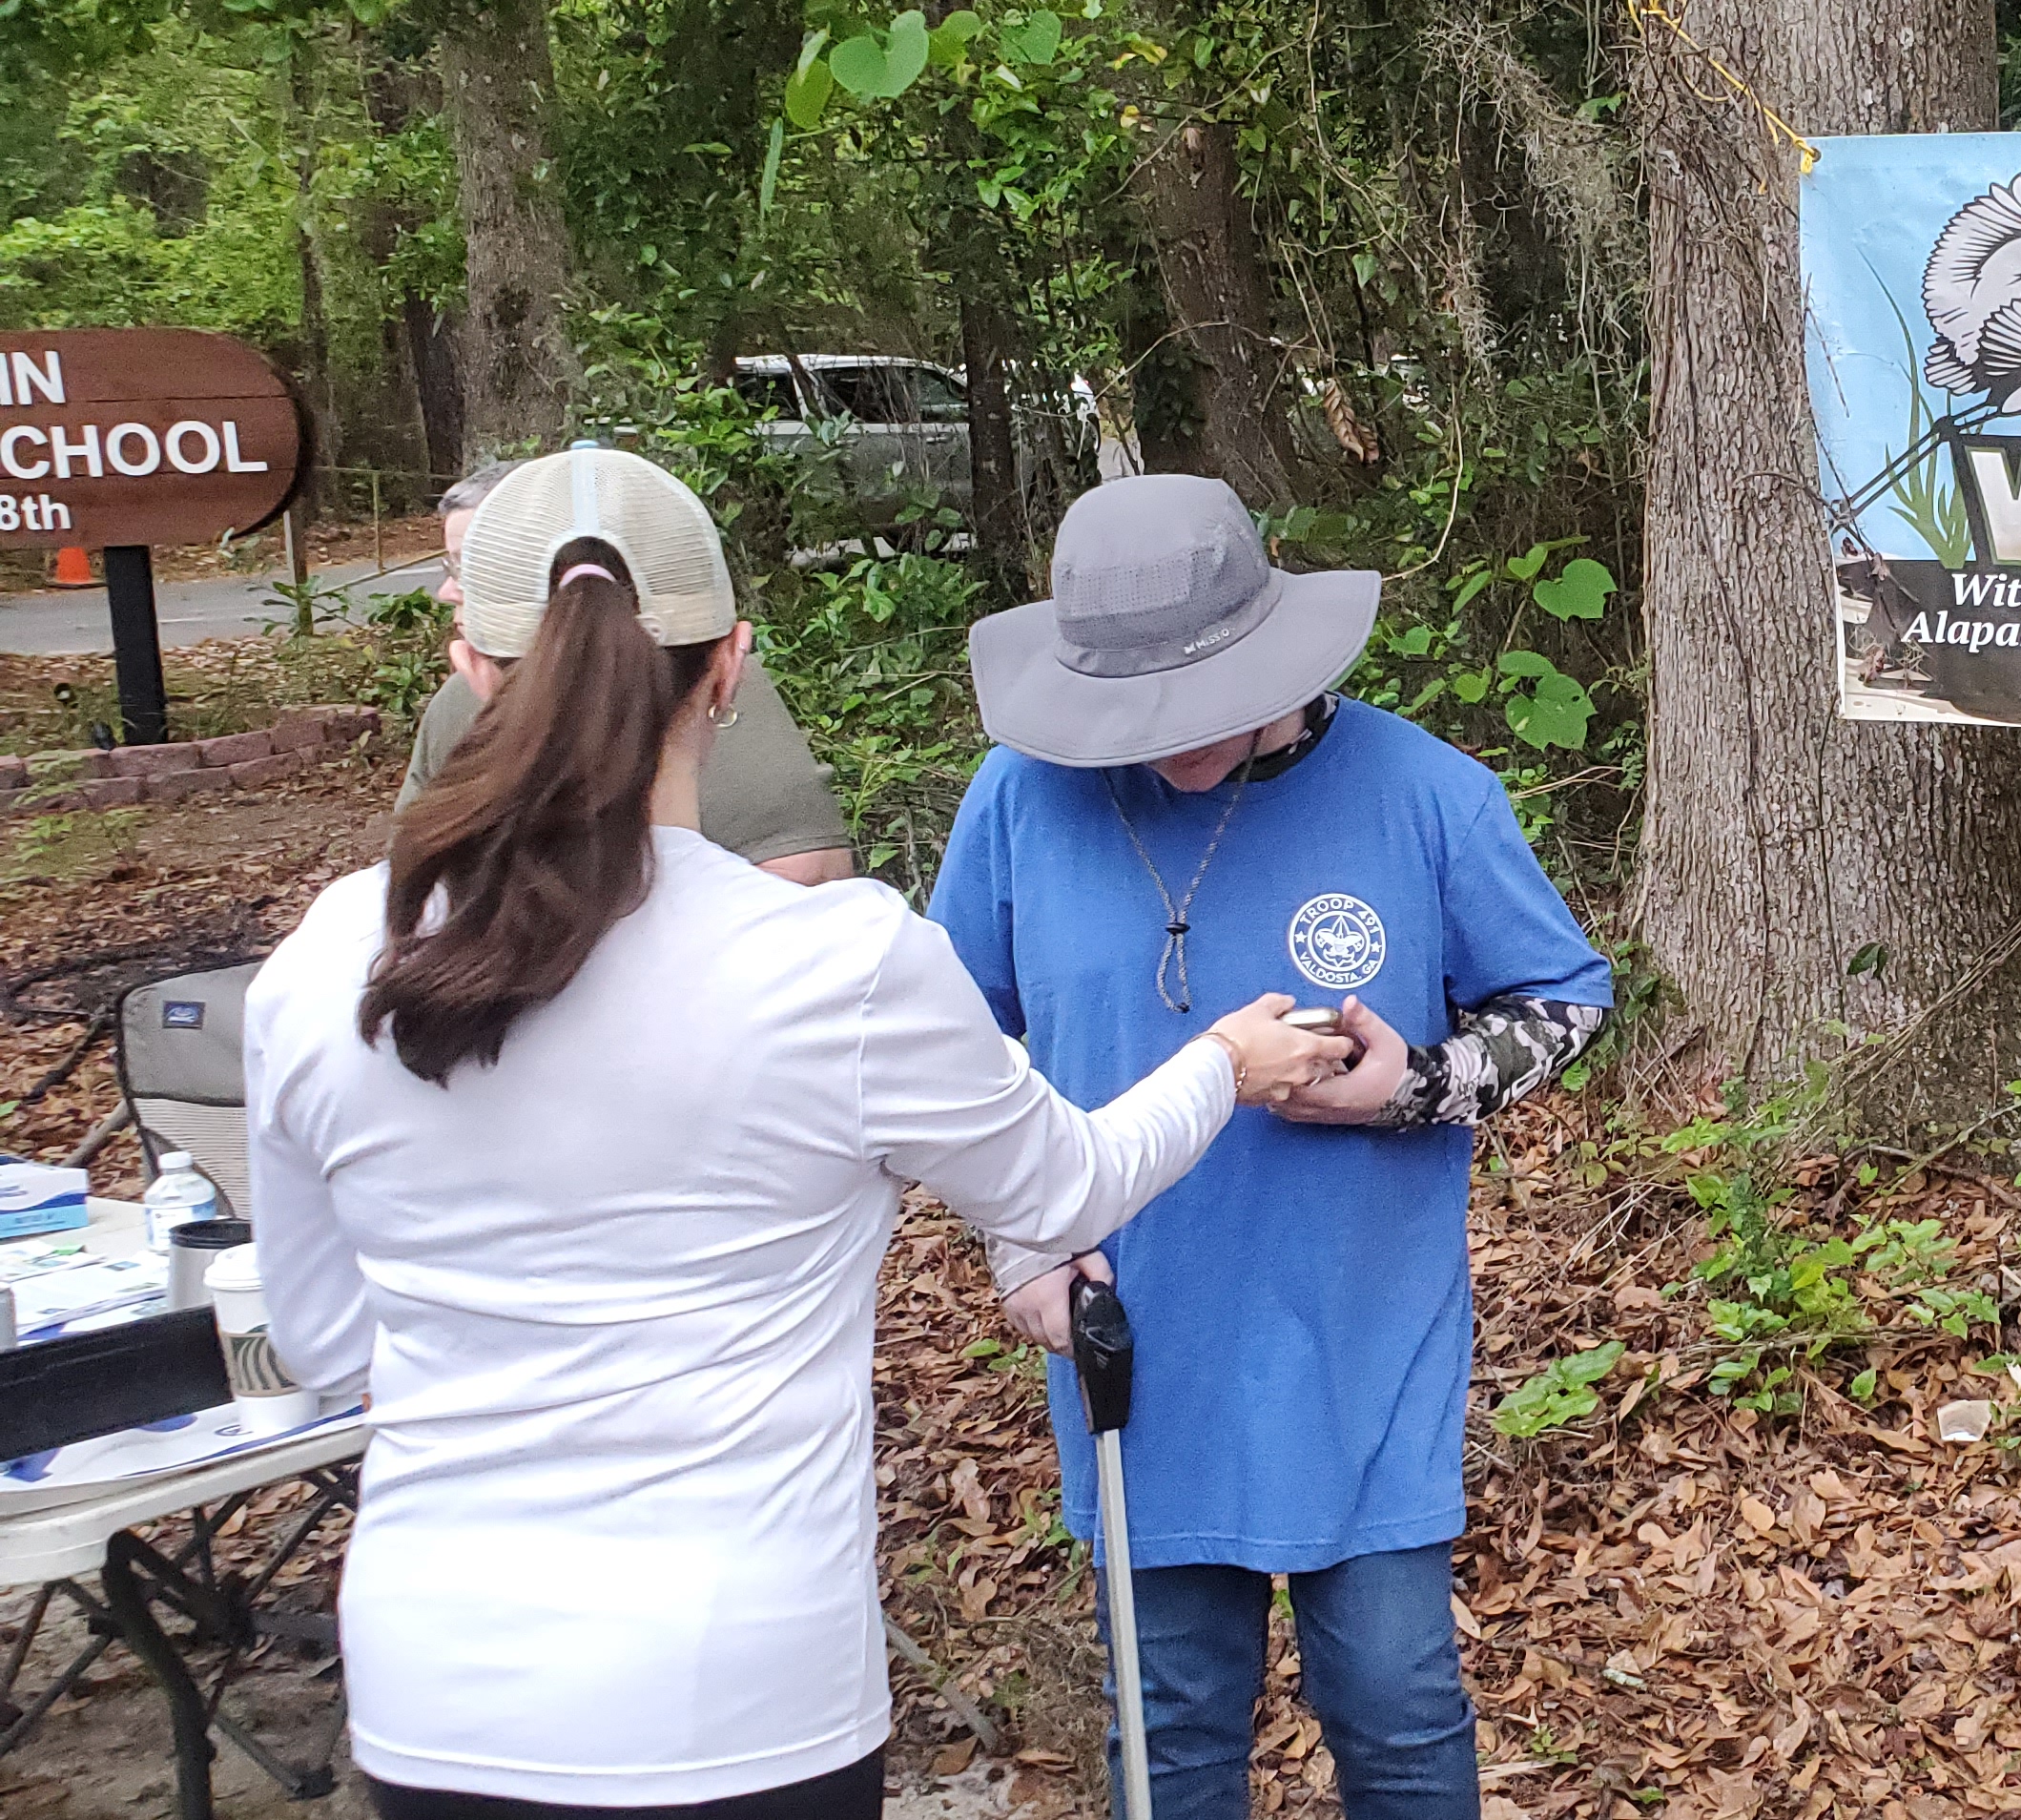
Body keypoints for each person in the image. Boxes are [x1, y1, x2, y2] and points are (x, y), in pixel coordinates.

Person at [241, 448, 1356, 1818]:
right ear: (730, 669)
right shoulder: (839, 966)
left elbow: (322, 1343)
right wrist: (1221, 1063)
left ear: (468, 667)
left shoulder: (317, 969)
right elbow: (1065, 1182)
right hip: (745, 1692)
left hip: (435, 1690)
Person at [932, 474, 1613, 1820]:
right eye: (1134, 709)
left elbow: (1566, 1004)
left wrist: (1418, 1083)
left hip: (1363, 1347)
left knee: (1400, 1711)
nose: (1167, 742)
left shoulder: (1428, 794)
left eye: (1202, 700)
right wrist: (1019, 1240)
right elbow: (952, 1056)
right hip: (1141, 1357)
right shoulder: (1022, 803)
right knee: (1172, 1731)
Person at [405, 458, 858, 885]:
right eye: (452, 567)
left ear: (478, 672)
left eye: (472, 569)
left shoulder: (353, 926)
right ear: (729, 666)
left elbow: (805, 867)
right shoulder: (879, 943)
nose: (447, 591)